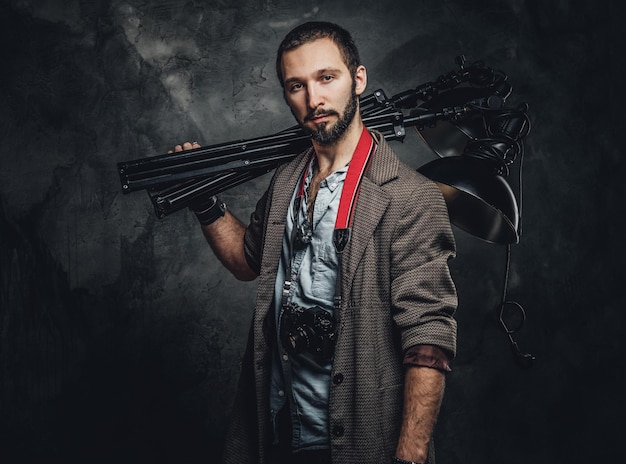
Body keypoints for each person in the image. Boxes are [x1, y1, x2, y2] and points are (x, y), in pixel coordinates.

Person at [171, 21, 457, 464]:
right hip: (279, 429)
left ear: (357, 79)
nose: (314, 99)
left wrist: (411, 455)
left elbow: (429, 340)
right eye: (296, 86)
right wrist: (204, 202)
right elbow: (248, 260)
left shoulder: (410, 197)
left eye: (327, 78)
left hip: (358, 439)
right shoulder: (287, 180)